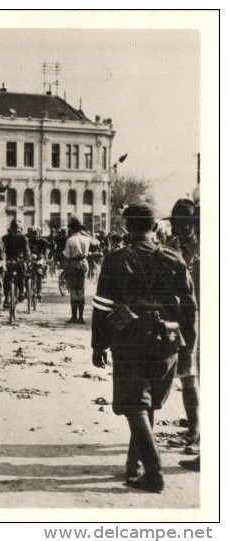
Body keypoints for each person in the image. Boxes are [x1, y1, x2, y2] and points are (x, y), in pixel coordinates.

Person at [91, 202, 197, 493]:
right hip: (167, 342)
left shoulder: (115, 259)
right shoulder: (175, 259)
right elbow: (189, 307)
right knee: (145, 402)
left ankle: (153, 471)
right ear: (153, 227)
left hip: (129, 340)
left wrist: (98, 345)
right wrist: (188, 344)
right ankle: (133, 465)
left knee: (135, 405)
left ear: (127, 227)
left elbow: (102, 308)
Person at [165, 198, 201, 467]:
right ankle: (194, 431)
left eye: (188, 223)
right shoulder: (170, 248)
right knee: (187, 375)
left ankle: (199, 435)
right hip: (182, 318)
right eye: (179, 224)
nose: (183, 228)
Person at [63, 217, 99, 323]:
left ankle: (74, 317)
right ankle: (81, 317)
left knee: (73, 291)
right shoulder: (86, 239)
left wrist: (65, 269)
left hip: (72, 264)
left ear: (71, 229)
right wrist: (87, 234)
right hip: (84, 263)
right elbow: (97, 243)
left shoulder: (70, 240)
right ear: (80, 229)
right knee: (81, 290)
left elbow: (67, 256)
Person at [2, 219, 30, 310]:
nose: (16, 229)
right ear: (11, 228)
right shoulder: (5, 238)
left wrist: (25, 260)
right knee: (6, 277)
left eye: (18, 228)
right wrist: (3, 260)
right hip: (8, 260)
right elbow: (1, 250)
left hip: (19, 260)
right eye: (14, 227)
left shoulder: (23, 238)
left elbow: (27, 251)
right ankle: (6, 298)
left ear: (20, 228)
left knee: (22, 270)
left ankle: (21, 291)